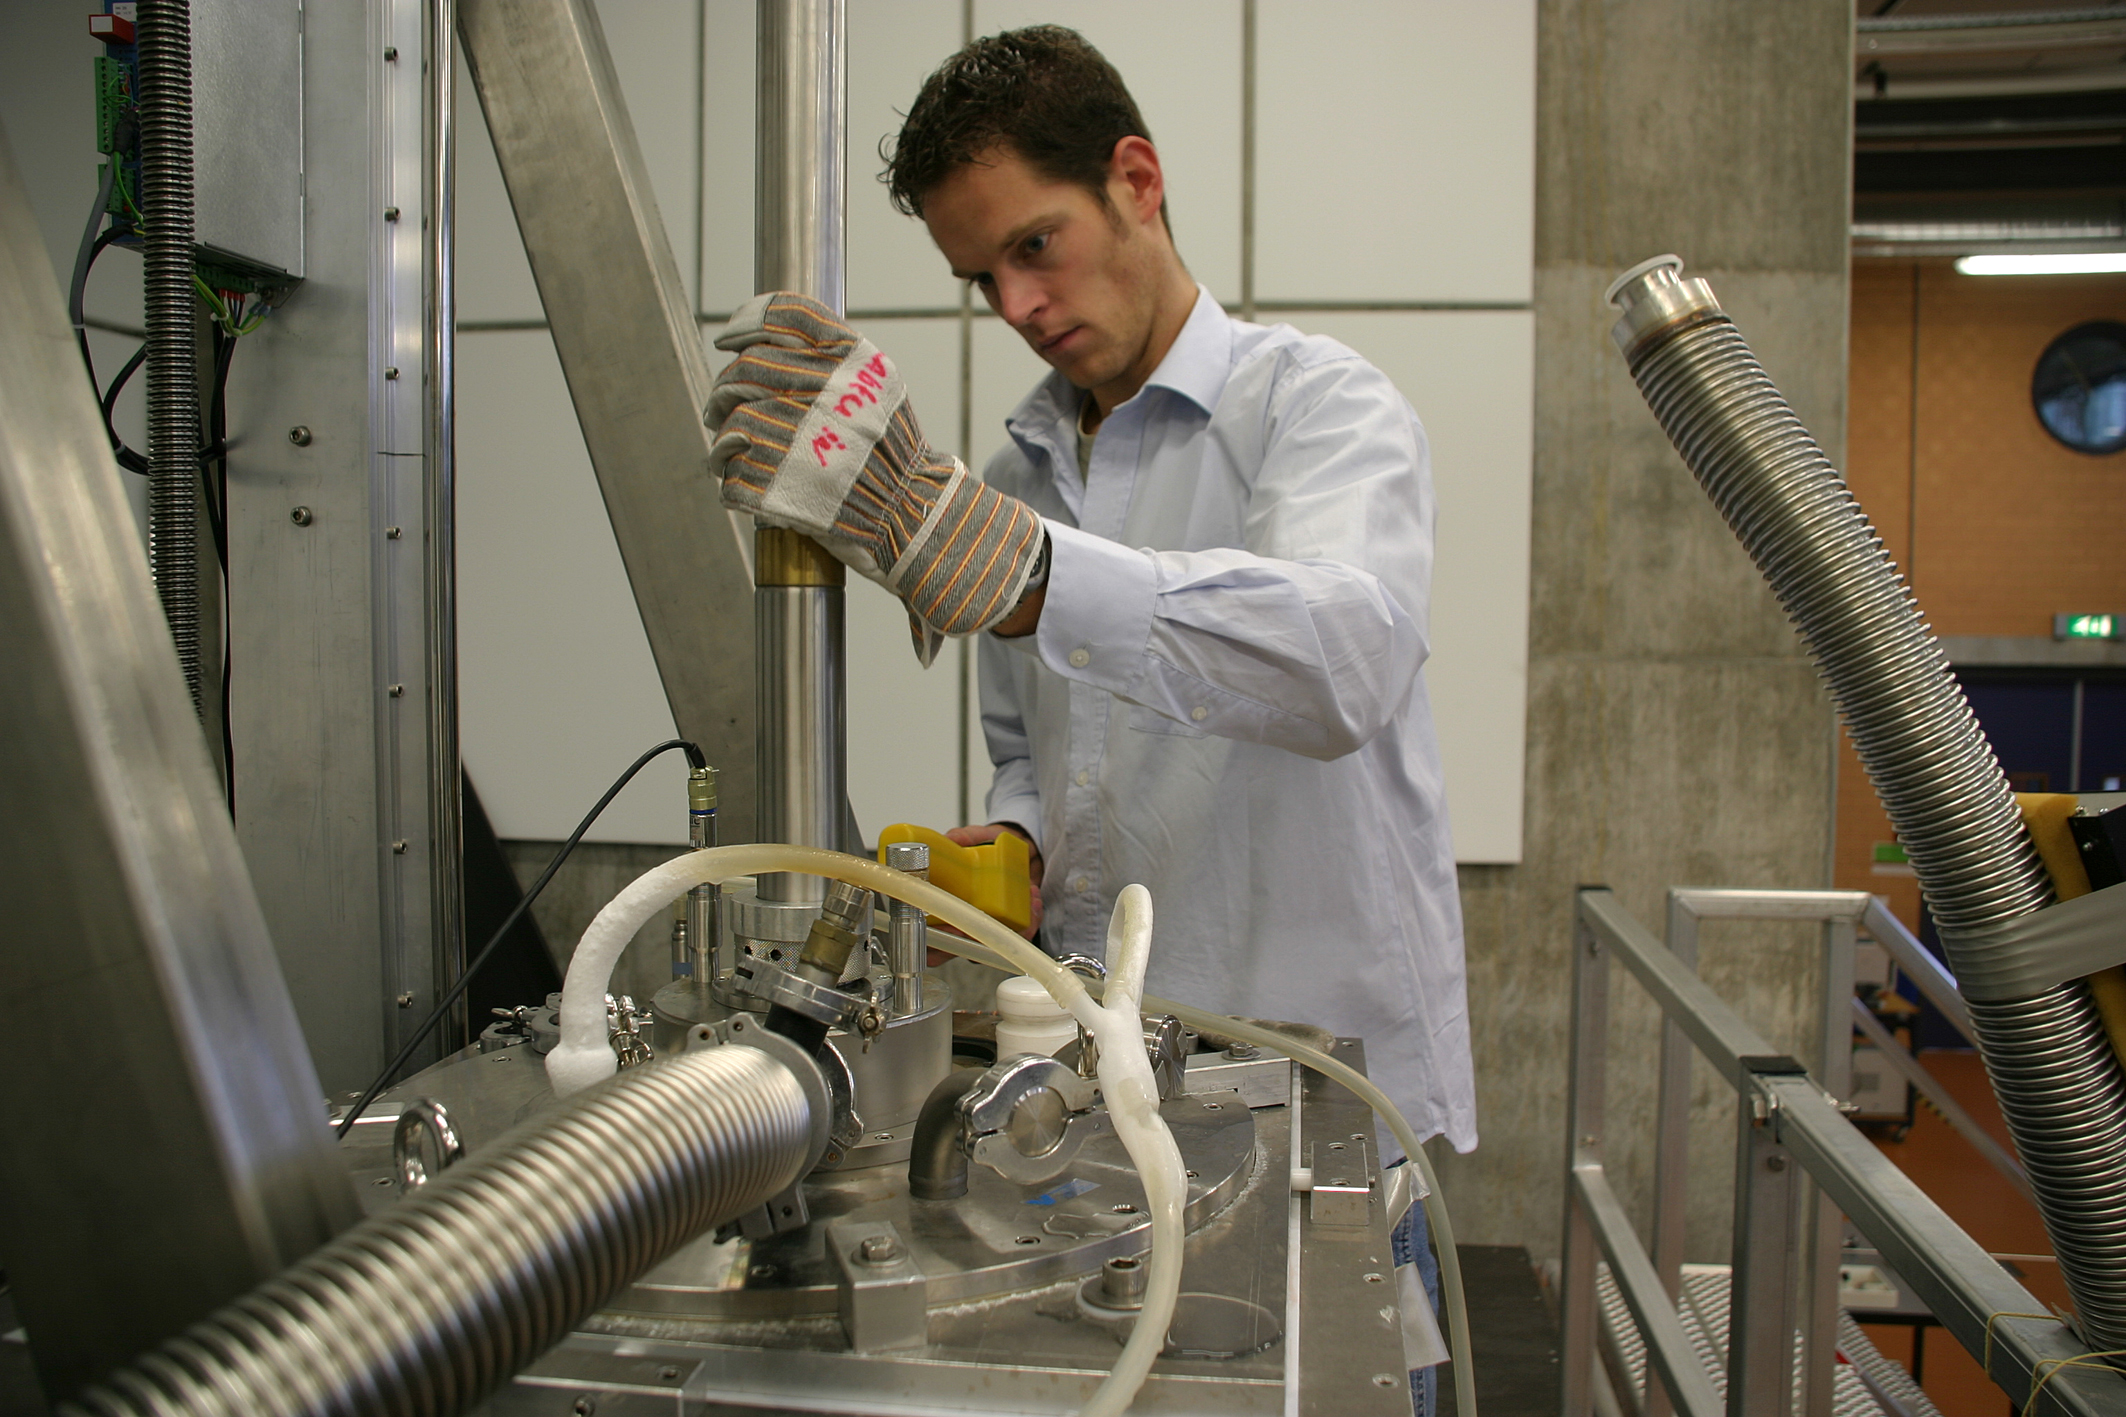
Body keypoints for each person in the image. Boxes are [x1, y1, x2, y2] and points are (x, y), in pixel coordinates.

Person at [705, 24, 1470, 1409]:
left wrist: (1021, 570)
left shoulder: (1317, 406)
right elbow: (1032, 753)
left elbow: (1342, 659)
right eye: (980, 278)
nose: (1016, 303)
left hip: (1317, 1122)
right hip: (1097, 1119)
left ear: (1136, 181)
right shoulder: (1019, 474)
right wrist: (1007, 844)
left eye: (1034, 247)